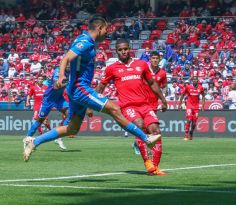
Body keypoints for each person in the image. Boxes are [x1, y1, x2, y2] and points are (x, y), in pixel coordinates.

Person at [23, 15, 161, 162]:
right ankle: (146, 138)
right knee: (114, 109)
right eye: (106, 29)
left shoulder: (85, 39)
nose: (107, 33)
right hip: (79, 88)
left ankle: (34, 141)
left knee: (72, 129)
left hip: (76, 88)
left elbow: (72, 59)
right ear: (100, 28)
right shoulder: (86, 42)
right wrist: (61, 75)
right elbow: (66, 58)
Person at [98, 40, 168, 175]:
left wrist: (163, 100)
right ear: (116, 51)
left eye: (125, 49)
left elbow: (152, 83)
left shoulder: (141, 65)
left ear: (129, 49)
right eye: (120, 50)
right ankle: (147, 162)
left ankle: (156, 167)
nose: (123, 52)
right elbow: (101, 86)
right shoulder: (112, 68)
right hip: (128, 106)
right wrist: (91, 104)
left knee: (156, 131)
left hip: (145, 105)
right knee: (139, 125)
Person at [25, 66, 70, 150]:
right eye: (69, 63)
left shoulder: (71, 71)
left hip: (59, 99)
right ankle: (28, 138)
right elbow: (56, 86)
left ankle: (58, 137)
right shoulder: (58, 70)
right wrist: (69, 83)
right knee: (40, 121)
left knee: (70, 114)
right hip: (48, 99)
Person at [178, 76, 205, 140]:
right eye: (194, 80)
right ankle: (186, 134)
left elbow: (203, 96)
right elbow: (182, 94)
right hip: (189, 106)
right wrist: (180, 104)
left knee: (194, 123)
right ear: (192, 81)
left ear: (197, 81)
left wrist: (203, 105)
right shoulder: (188, 87)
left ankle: (191, 132)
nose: (195, 81)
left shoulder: (200, 88)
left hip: (196, 107)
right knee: (189, 119)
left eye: (196, 80)